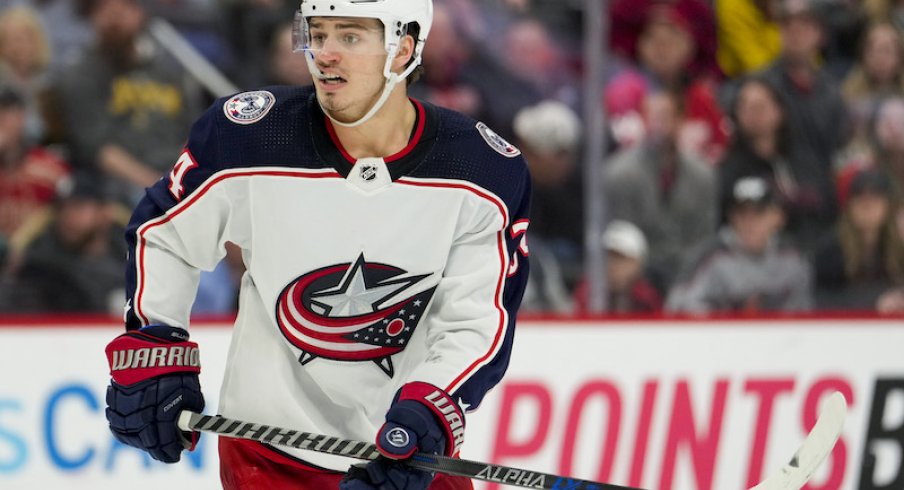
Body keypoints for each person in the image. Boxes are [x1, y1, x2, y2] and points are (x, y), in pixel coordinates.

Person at [102, 1, 531, 490]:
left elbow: (475, 321)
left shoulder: (484, 171)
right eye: (317, 33)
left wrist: (429, 412)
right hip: (268, 457)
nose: (324, 54)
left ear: (403, 49)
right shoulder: (251, 136)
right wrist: (155, 340)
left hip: (406, 459)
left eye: (349, 37)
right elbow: (166, 232)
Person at [666, 176, 812, 314]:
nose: (750, 222)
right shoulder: (711, 256)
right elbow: (677, 304)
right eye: (742, 213)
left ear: (778, 217)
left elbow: (803, 312)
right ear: (732, 217)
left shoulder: (792, 258)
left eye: (759, 212)